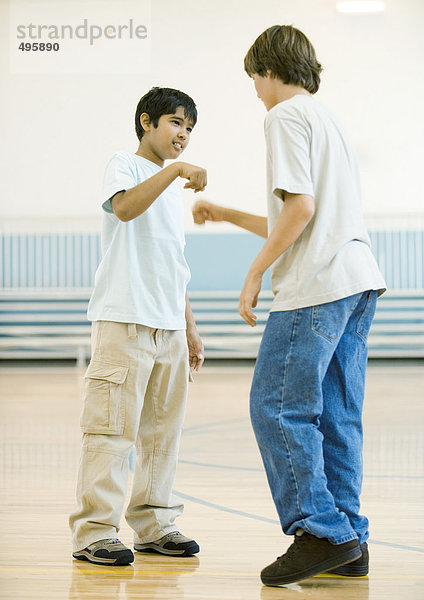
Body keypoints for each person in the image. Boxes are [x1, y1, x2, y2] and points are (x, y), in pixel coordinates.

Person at [192, 25, 386, 586]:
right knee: (336, 417)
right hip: (357, 280)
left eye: (253, 77)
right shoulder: (329, 122)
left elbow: (298, 210)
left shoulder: (282, 116)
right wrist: (226, 213)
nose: (253, 89)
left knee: (276, 408)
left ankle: (320, 532)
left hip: (316, 286)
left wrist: (254, 272)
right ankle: (350, 539)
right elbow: (299, 216)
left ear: (268, 69)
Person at [69, 87, 206, 566]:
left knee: (160, 434)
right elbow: (124, 209)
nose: (183, 134)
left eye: (189, 128)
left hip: (166, 326)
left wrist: (188, 327)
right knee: (111, 431)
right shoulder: (123, 166)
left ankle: (154, 523)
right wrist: (172, 172)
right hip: (124, 321)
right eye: (175, 123)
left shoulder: (168, 188)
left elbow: (173, 261)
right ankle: (95, 533)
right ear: (146, 122)